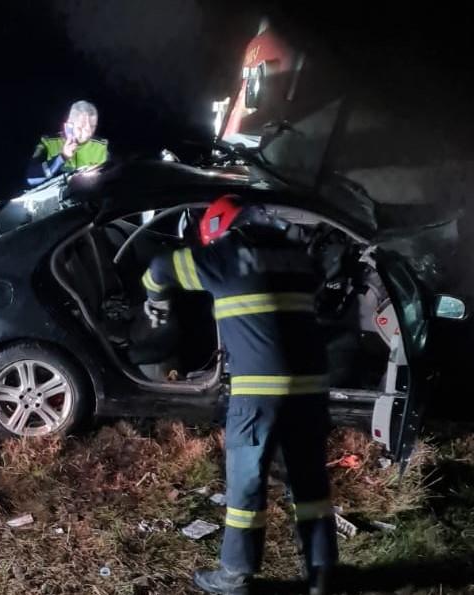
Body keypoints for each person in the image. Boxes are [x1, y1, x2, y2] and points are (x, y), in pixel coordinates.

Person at [142, 195, 335, 595]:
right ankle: (322, 573)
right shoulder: (296, 255)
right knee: (310, 481)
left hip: (259, 391)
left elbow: (160, 268)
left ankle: (233, 575)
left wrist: (155, 300)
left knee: (247, 484)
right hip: (312, 387)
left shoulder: (224, 256)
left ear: (216, 229)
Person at [25, 100, 108, 186]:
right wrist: (62, 157)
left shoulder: (102, 146)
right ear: (69, 125)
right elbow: (31, 178)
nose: (89, 133)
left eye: (92, 126)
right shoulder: (48, 143)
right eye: (82, 127)